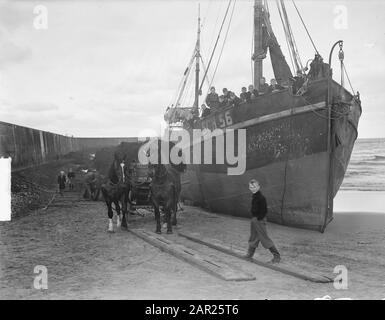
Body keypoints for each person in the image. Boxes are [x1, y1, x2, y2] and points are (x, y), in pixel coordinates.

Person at [245, 179, 281, 263]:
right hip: (255, 219)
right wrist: (254, 219)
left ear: (258, 187)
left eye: (254, 187)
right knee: (253, 237)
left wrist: (258, 219)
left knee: (264, 238)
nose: (252, 188)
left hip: (259, 220)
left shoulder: (261, 197)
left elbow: (264, 211)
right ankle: (249, 255)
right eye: (250, 187)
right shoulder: (254, 196)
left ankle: (277, 256)